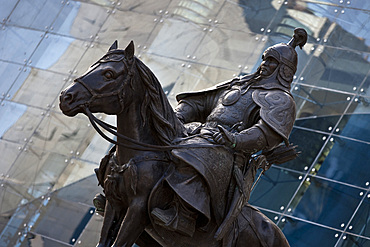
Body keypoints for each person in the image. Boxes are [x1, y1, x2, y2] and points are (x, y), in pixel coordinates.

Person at [150, 28, 307, 238]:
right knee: (151, 137)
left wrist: (234, 140)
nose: (265, 65)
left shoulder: (281, 100)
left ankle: (184, 216)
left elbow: (265, 133)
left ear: (284, 70)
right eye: (265, 60)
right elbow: (199, 102)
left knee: (197, 151)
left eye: (272, 62)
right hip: (201, 133)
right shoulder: (237, 84)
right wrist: (178, 117)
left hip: (231, 153)